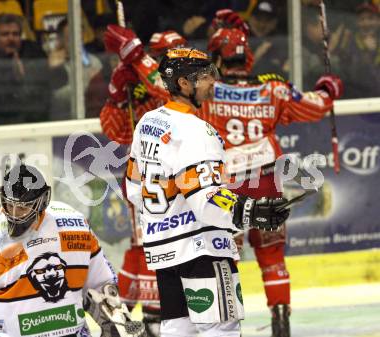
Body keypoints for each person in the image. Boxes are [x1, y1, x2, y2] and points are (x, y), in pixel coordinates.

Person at [124, 47, 290, 336]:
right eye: (204, 77)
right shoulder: (198, 132)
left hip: (165, 252)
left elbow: (134, 190)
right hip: (202, 250)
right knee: (221, 329)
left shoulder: (147, 123)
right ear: (184, 84)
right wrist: (251, 210)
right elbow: (207, 200)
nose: (213, 82)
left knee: (178, 330)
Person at [198, 13, 343, 336]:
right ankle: (281, 319)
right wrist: (329, 89)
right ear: (248, 56)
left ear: (217, 57)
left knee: (224, 257)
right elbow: (314, 106)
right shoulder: (272, 88)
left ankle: (225, 325)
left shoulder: (207, 91)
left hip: (229, 185)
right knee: (272, 255)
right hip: (266, 180)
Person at [0, 163, 145, 337]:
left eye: (23, 207)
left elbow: (102, 289)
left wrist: (121, 323)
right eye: (10, 205)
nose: (14, 214)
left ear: (43, 201)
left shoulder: (73, 225)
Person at [100, 28, 187, 337]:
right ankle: (143, 315)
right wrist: (117, 96)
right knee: (146, 243)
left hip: (187, 174)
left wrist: (135, 55)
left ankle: (132, 313)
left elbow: (170, 91)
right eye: (160, 56)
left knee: (169, 244)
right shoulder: (140, 84)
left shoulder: (191, 83)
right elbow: (116, 133)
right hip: (148, 177)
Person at [0, 14, 51, 126]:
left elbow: (49, 82)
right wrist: (13, 77)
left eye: (15, 34)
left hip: (32, 120)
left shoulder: (32, 50)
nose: (11, 38)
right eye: (5, 34)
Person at [48, 18, 107, 119]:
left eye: (79, 38)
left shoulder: (94, 61)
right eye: (70, 38)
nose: (77, 42)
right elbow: (56, 99)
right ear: (60, 39)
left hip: (90, 119)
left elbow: (100, 95)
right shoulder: (54, 64)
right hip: (62, 121)